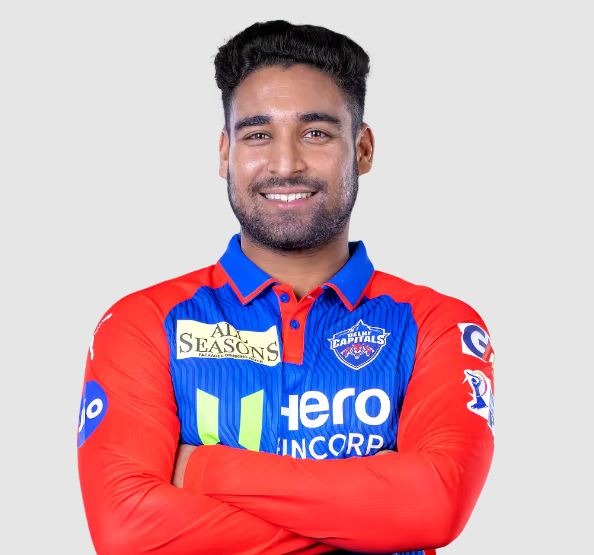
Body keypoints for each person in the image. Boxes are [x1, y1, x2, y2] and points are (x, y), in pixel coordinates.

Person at [77, 20, 495, 555]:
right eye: (258, 135)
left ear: (363, 149)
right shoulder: (143, 323)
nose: (285, 164)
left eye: (316, 133)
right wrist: (370, 518)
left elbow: (433, 506)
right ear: (225, 153)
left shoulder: (438, 325)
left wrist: (202, 469)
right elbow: (126, 530)